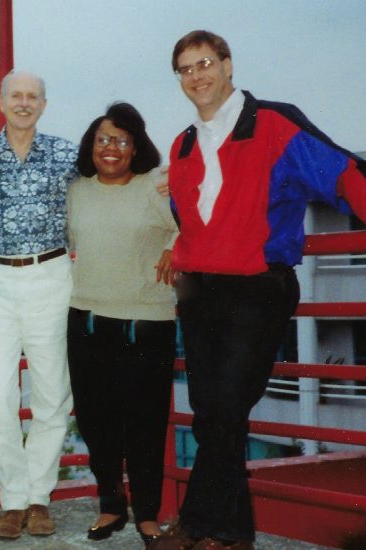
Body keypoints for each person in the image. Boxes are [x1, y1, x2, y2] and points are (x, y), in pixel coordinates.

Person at [150, 30, 366, 550]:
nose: (197, 76)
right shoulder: (182, 144)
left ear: (227, 65)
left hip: (257, 288)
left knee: (224, 408)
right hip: (199, 291)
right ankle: (232, 535)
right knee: (212, 414)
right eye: (185, 69)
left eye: (205, 63)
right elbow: (188, 215)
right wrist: (177, 249)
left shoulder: (272, 122)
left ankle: (196, 525)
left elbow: (343, 174)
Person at [0, 70, 77, 540]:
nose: (24, 103)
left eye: (33, 97)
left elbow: (111, 184)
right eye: (16, 96)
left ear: (43, 104)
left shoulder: (67, 155)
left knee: (52, 393)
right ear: (1, 101)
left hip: (52, 276)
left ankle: (38, 498)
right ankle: (12, 500)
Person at [66, 102, 178, 548]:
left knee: (146, 422)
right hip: (87, 319)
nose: (110, 148)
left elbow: (192, 220)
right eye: (102, 140)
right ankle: (111, 506)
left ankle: (147, 515)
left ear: (136, 147)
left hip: (146, 322)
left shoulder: (156, 184)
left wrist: (176, 245)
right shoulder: (77, 191)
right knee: (96, 421)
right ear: (90, 146)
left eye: (121, 140)